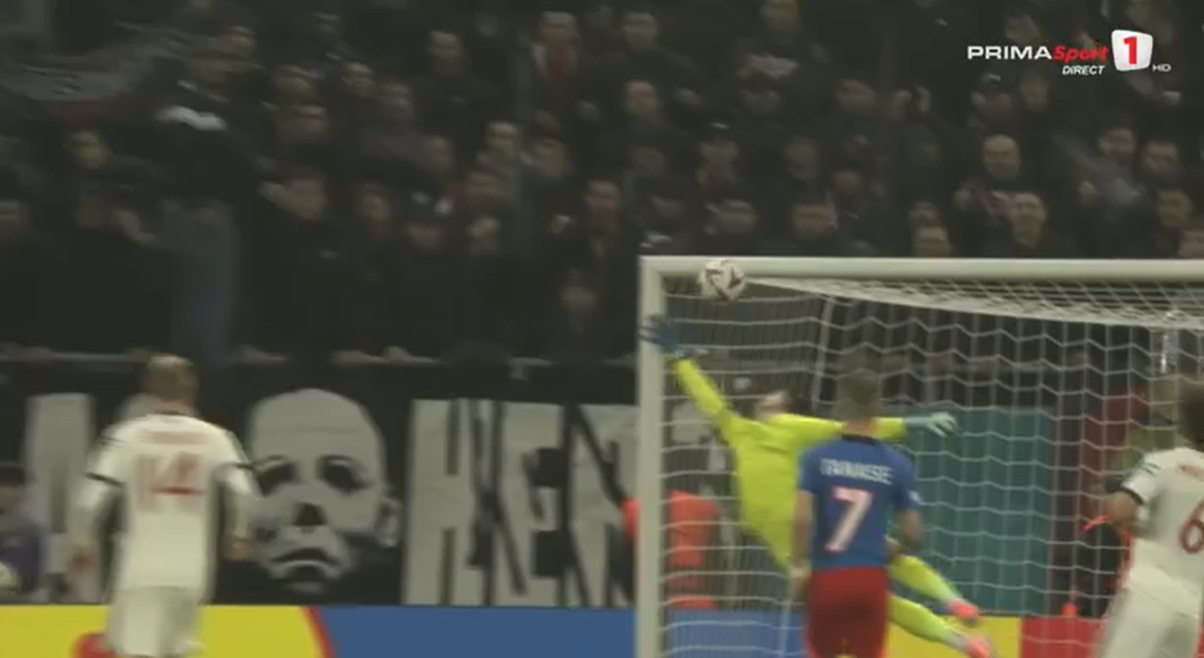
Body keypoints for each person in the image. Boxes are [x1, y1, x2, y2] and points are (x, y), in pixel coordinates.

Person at [642, 315, 993, 658]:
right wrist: (680, 360)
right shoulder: (739, 431)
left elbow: (844, 428)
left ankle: (953, 605)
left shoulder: (787, 428)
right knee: (882, 585)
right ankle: (960, 635)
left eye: (778, 400)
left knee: (886, 569)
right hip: (797, 541)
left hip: (807, 534)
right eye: (769, 399)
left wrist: (909, 423)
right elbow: (708, 400)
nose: (770, 403)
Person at [67, 355, 258, 658]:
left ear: (148, 391)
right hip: (192, 570)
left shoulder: (127, 436)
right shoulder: (216, 437)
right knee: (178, 651)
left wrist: (81, 542)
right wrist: (239, 534)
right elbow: (244, 492)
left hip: (141, 568)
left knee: (137, 651)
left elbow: (90, 500)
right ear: (192, 390)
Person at [792, 370, 923, 658]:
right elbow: (914, 533)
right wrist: (891, 551)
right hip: (869, 578)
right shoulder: (897, 464)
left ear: (840, 404)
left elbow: (801, 519)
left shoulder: (815, 457)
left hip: (827, 577)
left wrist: (798, 565)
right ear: (879, 405)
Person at [1095, 380, 1204, 658]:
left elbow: (1121, 510)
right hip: (1189, 613)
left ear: (1183, 421)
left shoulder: (1165, 462)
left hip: (1146, 599)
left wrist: (1132, 520)